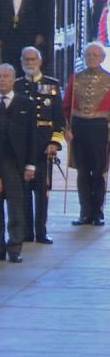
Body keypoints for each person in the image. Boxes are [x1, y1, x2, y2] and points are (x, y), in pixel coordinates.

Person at [0, 64, 38, 262]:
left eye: (6, 76)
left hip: (15, 164)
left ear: (13, 79)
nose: (2, 80)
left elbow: (33, 136)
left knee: (16, 207)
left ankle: (15, 247)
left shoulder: (26, 104)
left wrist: (31, 165)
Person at [16, 46, 66, 243]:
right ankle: (27, 231)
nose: (29, 63)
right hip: (23, 147)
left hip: (44, 147)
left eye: (33, 59)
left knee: (42, 191)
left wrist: (55, 142)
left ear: (40, 61)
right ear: (21, 62)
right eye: (26, 60)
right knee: (25, 191)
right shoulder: (17, 86)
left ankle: (41, 231)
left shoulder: (51, 85)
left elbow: (60, 121)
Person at [63, 42, 110, 225]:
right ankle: (84, 211)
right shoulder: (75, 78)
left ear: (102, 58)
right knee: (82, 171)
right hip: (79, 127)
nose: (91, 58)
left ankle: (97, 211)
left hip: (100, 127)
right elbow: (66, 105)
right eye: (88, 55)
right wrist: (66, 128)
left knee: (98, 171)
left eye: (95, 55)